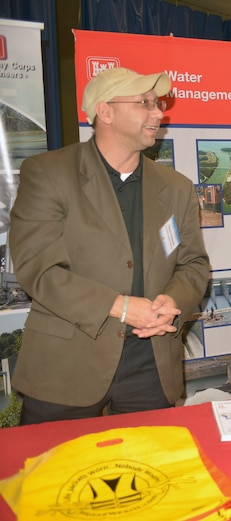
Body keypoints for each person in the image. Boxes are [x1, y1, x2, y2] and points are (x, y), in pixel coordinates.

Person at [9, 67, 210, 425]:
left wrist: (173, 300)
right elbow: (38, 269)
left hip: (150, 362)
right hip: (68, 361)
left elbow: (192, 264)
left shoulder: (176, 187)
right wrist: (120, 307)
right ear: (105, 112)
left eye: (158, 103)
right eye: (145, 103)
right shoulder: (49, 173)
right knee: (53, 474)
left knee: (149, 473)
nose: (158, 112)